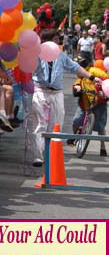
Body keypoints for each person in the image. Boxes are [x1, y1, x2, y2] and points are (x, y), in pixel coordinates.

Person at [30, 29, 99, 167]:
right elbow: (26, 67)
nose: (58, 42)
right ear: (46, 40)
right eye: (55, 39)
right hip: (40, 91)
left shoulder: (61, 55)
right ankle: (38, 156)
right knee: (40, 124)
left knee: (56, 125)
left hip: (57, 93)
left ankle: (53, 155)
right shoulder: (36, 55)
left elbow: (75, 67)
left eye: (58, 39)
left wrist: (91, 77)